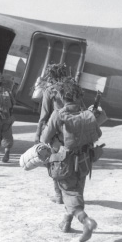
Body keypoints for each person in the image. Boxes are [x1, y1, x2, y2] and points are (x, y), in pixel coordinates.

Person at [40, 78, 99, 242]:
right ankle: (66, 222)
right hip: (85, 159)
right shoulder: (87, 114)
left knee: (68, 192)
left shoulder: (58, 114)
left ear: (60, 96)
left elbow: (45, 138)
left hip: (65, 161)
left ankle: (85, 220)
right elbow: (98, 134)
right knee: (77, 191)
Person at [34, 63, 77, 204]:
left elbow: (44, 115)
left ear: (51, 75)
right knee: (73, 161)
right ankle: (71, 193)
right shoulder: (74, 88)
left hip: (57, 132)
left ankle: (59, 195)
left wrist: (38, 134)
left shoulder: (50, 91)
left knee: (54, 162)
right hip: (74, 130)